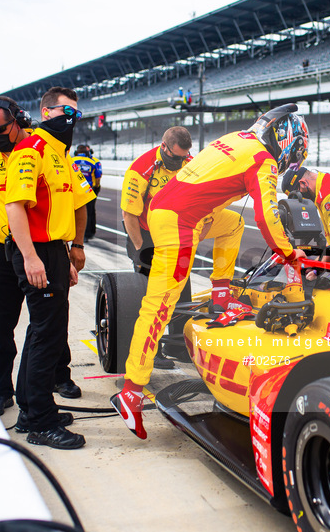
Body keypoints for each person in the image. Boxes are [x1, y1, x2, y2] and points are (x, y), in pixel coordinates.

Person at [113, 103, 309, 439]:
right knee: (158, 307)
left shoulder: (236, 138)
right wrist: (290, 254)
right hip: (178, 221)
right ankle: (131, 390)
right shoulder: (261, 160)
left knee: (233, 223)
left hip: (177, 211)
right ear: (286, 141)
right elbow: (266, 215)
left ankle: (220, 298)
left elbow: (213, 187)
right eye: (296, 152)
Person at [0, 96, 82, 416]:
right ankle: (0, 391)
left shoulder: (48, 152)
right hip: (1, 250)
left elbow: (64, 209)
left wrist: (69, 252)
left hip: (41, 248)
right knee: (0, 326)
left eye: (0, 129)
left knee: (50, 323)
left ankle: (54, 381)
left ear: (18, 121)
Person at [4, 86, 95, 450]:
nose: (71, 119)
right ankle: (41, 422)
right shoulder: (32, 149)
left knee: (44, 332)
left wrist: (67, 253)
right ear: (45, 112)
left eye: (76, 114)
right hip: (35, 250)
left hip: (51, 251)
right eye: (64, 112)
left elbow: (67, 208)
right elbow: (15, 207)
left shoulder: (60, 154)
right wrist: (30, 256)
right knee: (47, 337)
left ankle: (32, 408)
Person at [120, 126, 193, 276]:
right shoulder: (139, 169)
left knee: (178, 284)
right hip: (147, 234)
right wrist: (141, 249)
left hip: (175, 234)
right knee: (147, 286)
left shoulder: (190, 162)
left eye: (183, 157)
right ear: (164, 146)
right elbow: (128, 214)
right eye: (175, 157)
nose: (180, 161)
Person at [72, 144, 102, 240]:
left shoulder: (71, 161)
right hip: (89, 189)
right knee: (89, 211)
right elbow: (98, 176)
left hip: (75, 189)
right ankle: (88, 233)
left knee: (74, 211)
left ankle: (73, 233)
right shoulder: (92, 162)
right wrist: (97, 186)